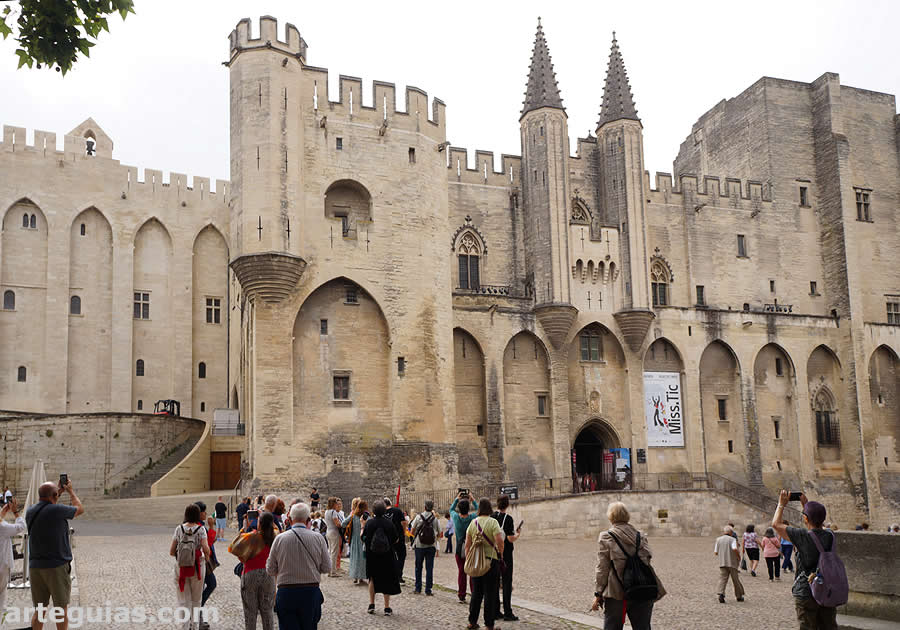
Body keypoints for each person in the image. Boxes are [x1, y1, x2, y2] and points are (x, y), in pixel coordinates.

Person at [591, 501, 664, 630]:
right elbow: (647, 559)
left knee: (612, 627)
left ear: (611, 517)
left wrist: (598, 593)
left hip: (617, 592)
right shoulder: (640, 536)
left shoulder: (606, 537)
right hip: (642, 587)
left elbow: (602, 568)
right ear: (627, 516)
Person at [773, 490, 839, 629]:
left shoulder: (802, 536)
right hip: (827, 588)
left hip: (806, 590)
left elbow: (776, 524)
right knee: (828, 626)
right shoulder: (830, 535)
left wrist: (781, 504)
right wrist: (807, 506)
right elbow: (816, 526)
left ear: (805, 519)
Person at [27, 479, 84, 630]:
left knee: (39, 611)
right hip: (56, 567)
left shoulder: (30, 511)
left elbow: (47, 500)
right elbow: (79, 509)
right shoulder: (56, 510)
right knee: (60, 610)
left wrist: (56, 492)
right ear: (54, 495)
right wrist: (70, 491)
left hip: (35, 567)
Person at [267, 502, 331, 630]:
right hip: (310, 592)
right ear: (308, 520)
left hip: (286, 592)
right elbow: (327, 568)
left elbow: (270, 569)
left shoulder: (279, 539)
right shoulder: (318, 538)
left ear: (289, 520)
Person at [169, 503, 211, 630]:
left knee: (183, 599)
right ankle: (195, 625)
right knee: (196, 599)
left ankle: (184, 626)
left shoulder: (179, 529)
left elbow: (171, 551)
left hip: (181, 567)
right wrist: (207, 558)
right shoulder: (201, 530)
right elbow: (206, 548)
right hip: (197, 566)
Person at [466, 497, 505, 630]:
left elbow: (467, 545)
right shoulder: (493, 522)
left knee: (476, 593)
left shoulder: (473, 523)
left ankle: (472, 621)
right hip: (490, 561)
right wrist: (501, 553)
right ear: (489, 508)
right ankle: (489, 624)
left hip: (476, 562)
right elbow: (499, 540)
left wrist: (468, 559)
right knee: (490, 593)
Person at [362, 499, 401, 615]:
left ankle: (372, 604)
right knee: (386, 580)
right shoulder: (389, 523)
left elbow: (363, 538)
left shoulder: (369, 523)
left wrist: (362, 526)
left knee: (372, 579)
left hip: (372, 556)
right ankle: (387, 607)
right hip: (387, 555)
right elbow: (396, 539)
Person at [241, 512, 276, 630]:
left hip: (250, 573)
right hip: (268, 574)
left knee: (250, 612)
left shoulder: (251, 536)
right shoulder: (274, 537)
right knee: (267, 611)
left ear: (259, 524)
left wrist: (245, 528)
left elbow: (235, 550)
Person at [492, 494, 520, 622]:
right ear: (507, 505)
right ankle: (508, 611)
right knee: (507, 583)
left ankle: (496, 610)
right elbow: (509, 538)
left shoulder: (492, 517)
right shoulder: (508, 519)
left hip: (494, 553)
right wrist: (518, 535)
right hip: (506, 554)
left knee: (496, 582)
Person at [410, 499, 442, 595]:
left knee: (418, 567)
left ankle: (418, 588)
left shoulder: (418, 517)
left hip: (419, 545)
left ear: (424, 507)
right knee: (429, 568)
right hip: (431, 546)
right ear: (432, 508)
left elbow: (412, 531)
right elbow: (440, 533)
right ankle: (428, 589)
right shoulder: (435, 519)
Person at [0, 497, 24, 620]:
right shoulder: (3, 527)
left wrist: (3, 513)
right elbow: (21, 526)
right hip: (2, 565)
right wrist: (15, 512)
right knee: (2, 593)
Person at [450, 491, 477, 603]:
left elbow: (451, 509)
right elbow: (481, 510)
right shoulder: (472, 517)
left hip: (459, 547)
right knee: (471, 572)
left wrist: (457, 499)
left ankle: (462, 594)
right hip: (470, 547)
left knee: (462, 572)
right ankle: (474, 593)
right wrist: (473, 499)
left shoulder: (456, 517)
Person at [714, 525, 745, 603]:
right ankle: (739, 596)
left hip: (722, 562)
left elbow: (716, 552)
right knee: (735, 579)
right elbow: (734, 548)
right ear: (731, 532)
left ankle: (721, 594)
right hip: (732, 562)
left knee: (723, 579)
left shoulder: (718, 539)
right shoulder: (732, 540)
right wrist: (738, 556)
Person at [341, 499, 368, 584]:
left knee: (354, 558)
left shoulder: (353, 516)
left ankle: (355, 576)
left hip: (354, 540)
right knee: (363, 559)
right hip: (362, 540)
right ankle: (361, 577)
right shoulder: (366, 516)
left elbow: (343, 524)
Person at [200, 515, 219, 630]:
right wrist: (211, 527)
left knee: (200, 588)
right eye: (204, 511)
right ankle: (198, 611)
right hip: (202, 562)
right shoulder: (200, 527)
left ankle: (197, 612)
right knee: (211, 584)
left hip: (196, 562)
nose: (206, 514)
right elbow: (209, 542)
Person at [384, 497, 408, 584]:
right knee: (401, 556)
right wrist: (404, 532)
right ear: (390, 503)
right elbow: (404, 522)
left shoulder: (381, 512)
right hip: (399, 538)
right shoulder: (397, 511)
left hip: (386, 539)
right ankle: (398, 575)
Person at [323, 497, 343, 576]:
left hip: (328, 531)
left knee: (330, 551)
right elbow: (337, 523)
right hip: (334, 532)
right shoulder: (333, 512)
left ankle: (329, 570)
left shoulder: (326, 511)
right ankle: (333, 571)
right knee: (334, 552)